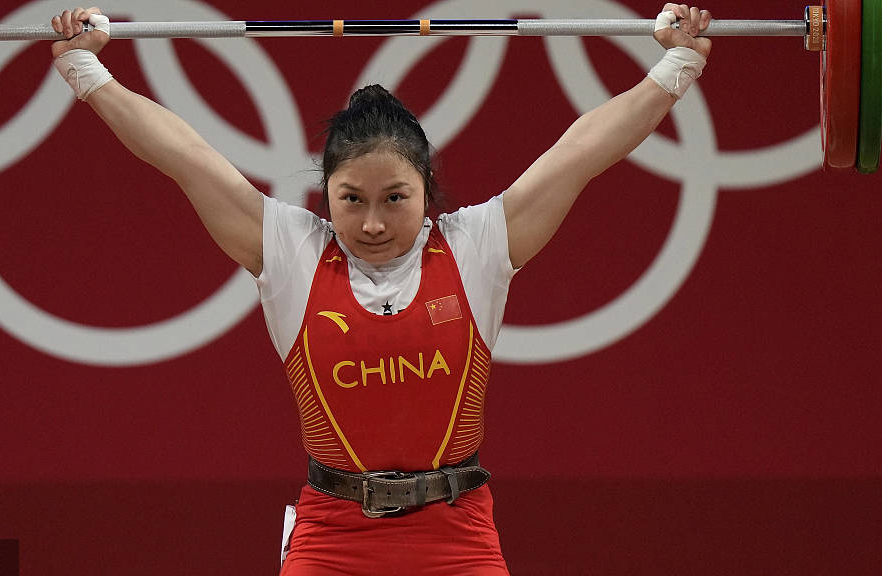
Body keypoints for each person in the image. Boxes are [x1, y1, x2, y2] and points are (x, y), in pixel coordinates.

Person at [50, 4, 712, 574]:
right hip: (331, 539)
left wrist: (676, 65)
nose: (372, 223)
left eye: (395, 198)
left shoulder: (475, 246)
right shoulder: (291, 252)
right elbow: (184, 156)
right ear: (326, 195)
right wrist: (86, 70)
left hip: (458, 538)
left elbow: (582, 152)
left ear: (427, 189)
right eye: (351, 199)